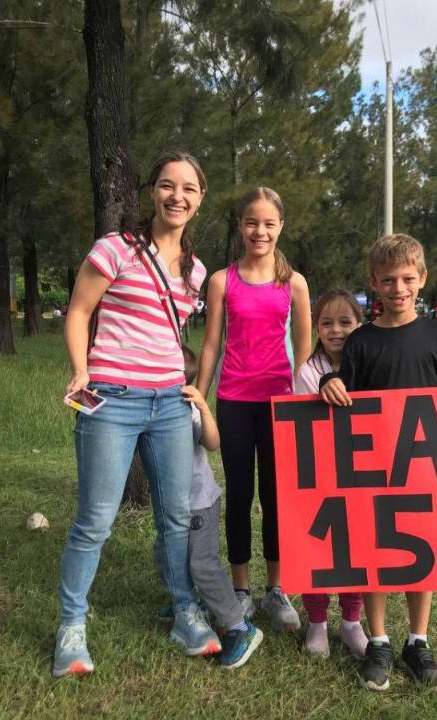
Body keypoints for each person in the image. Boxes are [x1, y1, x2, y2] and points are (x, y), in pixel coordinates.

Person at [319, 234, 437, 692]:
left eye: (406, 278)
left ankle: (417, 640)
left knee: (424, 554)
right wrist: (329, 382)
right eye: (388, 280)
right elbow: (343, 389)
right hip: (375, 469)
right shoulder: (360, 342)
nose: (397, 287)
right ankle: (379, 640)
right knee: (378, 554)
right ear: (374, 284)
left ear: (422, 279)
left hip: (424, 468)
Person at [54, 151, 211, 679]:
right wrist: (80, 369)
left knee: (174, 517)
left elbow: (174, 336)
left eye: (188, 189)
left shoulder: (197, 272)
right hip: (111, 401)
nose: (177, 197)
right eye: (168, 186)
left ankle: (184, 612)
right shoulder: (115, 249)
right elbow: (79, 311)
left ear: (200, 199)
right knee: (96, 520)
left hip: (169, 402)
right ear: (152, 192)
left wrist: (191, 385)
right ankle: (71, 626)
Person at [196, 187, 312, 633]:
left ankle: (276, 589)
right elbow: (210, 345)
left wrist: (304, 405)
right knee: (240, 496)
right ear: (240, 226)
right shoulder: (223, 281)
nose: (259, 231)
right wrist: (200, 396)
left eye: (268, 223)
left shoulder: (294, 283)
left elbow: (303, 355)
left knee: (277, 498)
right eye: (250, 222)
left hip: (280, 404)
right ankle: (242, 590)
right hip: (235, 401)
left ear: (281, 226)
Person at [155, 346, 264, 668]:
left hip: (198, 502)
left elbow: (214, 443)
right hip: (172, 504)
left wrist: (202, 404)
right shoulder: (154, 411)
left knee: (202, 564)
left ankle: (238, 625)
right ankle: (186, 604)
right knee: (165, 553)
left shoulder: (185, 409)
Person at [293, 289, 368, 659]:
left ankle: (352, 621)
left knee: (358, 549)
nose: (336, 330)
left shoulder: (370, 364)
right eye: (326, 323)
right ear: (315, 328)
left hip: (362, 477)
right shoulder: (308, 371)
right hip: (319, 477)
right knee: (318, 549)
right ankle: (318, 621)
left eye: (345, 322)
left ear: (360, 324)